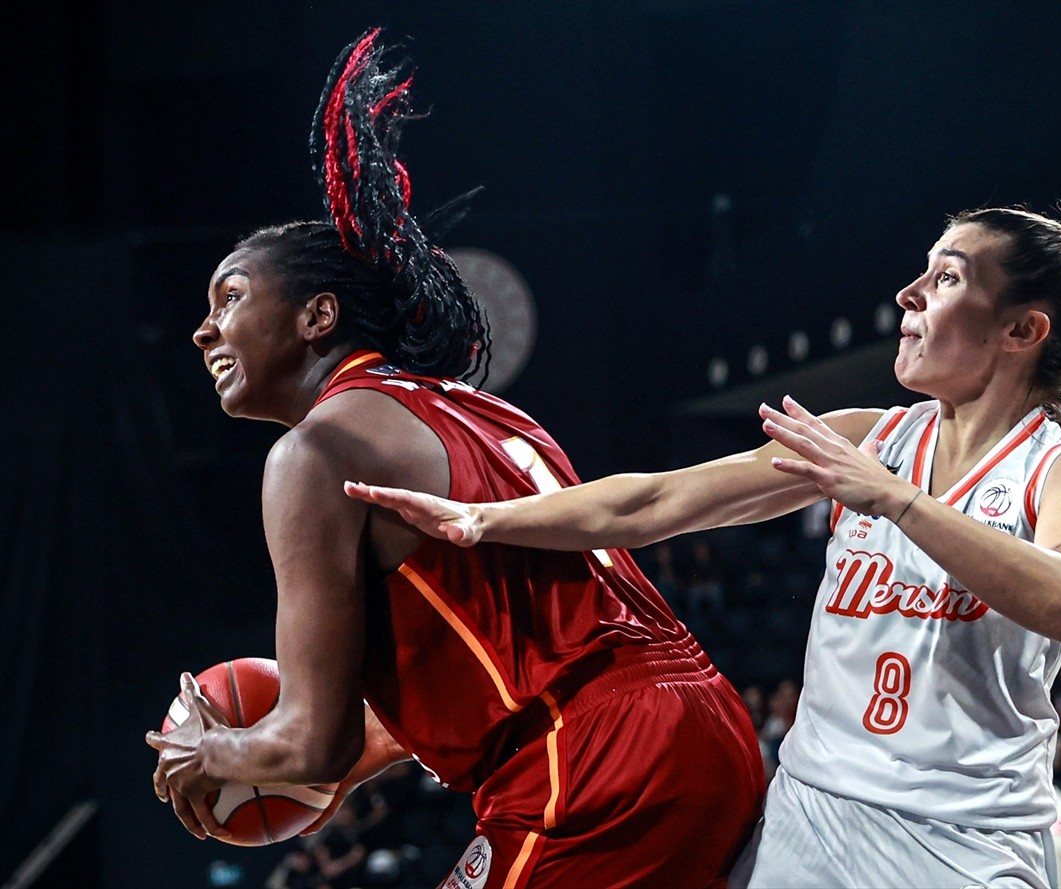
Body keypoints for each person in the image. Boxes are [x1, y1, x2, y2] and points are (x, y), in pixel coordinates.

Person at [346, 201, 1061, 886]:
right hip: (810, 815)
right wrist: (485, 518)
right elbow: (658, 499)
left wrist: (896, 500)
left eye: (947, 277)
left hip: (966, 843)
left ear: (1023, 329)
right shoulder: (866, 438)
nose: (910, 293)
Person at [143, 28, 764, 889]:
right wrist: (371, 747)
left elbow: (308, 736)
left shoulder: (311, 451)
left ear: (318, 317)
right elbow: (520, 645)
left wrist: (218, 748)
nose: (206, 327)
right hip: (695, 718)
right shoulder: (475, 407)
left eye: (232, 296)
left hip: (586, 764)